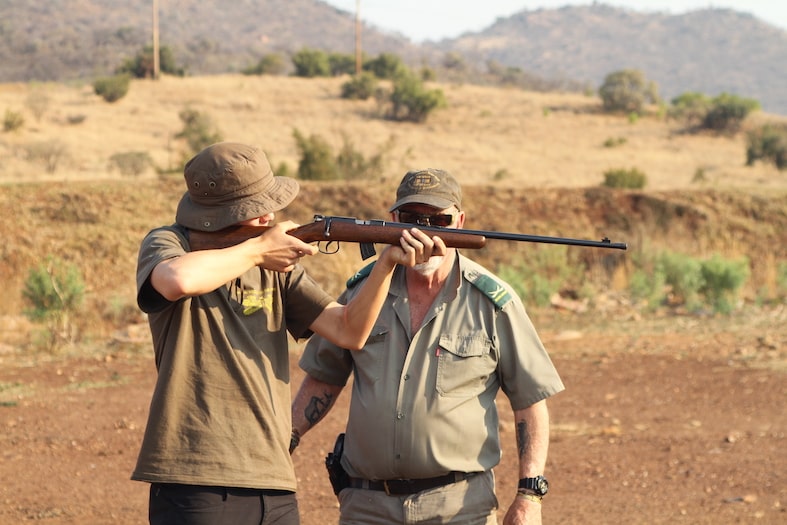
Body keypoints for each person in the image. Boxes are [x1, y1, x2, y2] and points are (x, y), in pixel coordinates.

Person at [132, 142, 446, 525]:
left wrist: (386, 265)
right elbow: (177, 279)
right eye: (260, 207)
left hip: (272, 476)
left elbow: (348, 331)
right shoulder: (171, 243)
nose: (271, 214)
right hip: (196, 476)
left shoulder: (272, 262)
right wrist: (258, 251)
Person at [291, 168, 565, 525]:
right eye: (411, 219)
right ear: (392, 221)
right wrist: (285, 442)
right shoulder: (363, 292)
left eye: (439, 220)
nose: (425, 230)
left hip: (458, 508)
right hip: (367, 506)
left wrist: (530, 496)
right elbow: (324, 378)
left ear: (460, 221)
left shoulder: (492, 302)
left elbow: (530, 401)